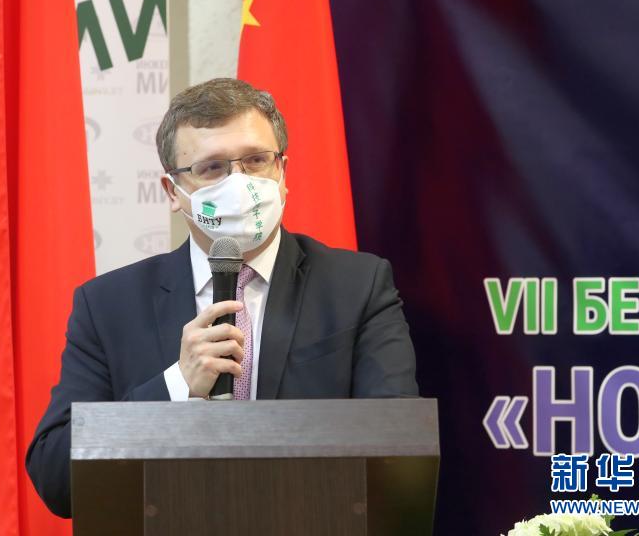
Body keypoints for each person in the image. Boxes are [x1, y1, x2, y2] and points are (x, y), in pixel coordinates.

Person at [25, 77, 418, 517]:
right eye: (212, 168)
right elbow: (57, 479)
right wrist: (177, 385)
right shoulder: (108, 306)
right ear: (173, 192)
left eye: (256, 160)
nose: (240, 183)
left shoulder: (358, 287)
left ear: (282, 171)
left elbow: (398, 456)